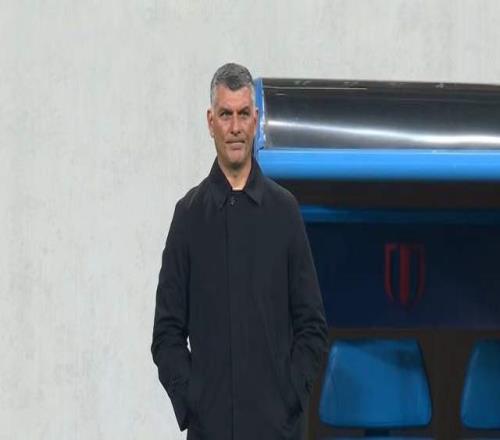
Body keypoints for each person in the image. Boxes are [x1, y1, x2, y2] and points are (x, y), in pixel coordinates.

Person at [151, 63, 328, 440]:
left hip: (276, 430)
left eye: (243, 114)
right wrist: (192, 401)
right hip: (210, 430)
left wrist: (290, 398)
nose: (235, 127)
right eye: (225, 114)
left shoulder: (284, 212)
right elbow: (167, 332)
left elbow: (312, 325)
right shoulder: (188, 216)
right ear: (210, 121)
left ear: (256, 120)